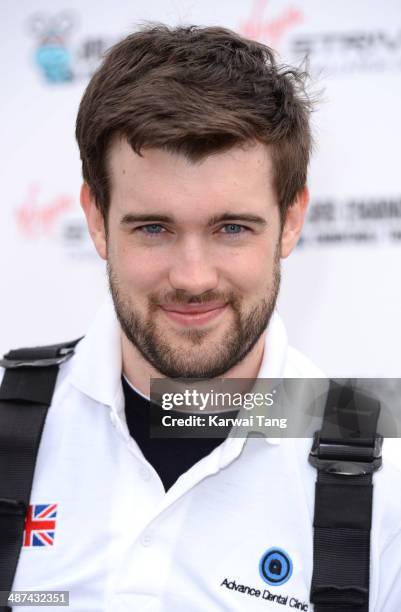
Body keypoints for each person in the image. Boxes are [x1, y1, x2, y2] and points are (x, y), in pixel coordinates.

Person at [1, 23, 401, 612]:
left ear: (291, 221)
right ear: (96, 218)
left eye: (231, 228)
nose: (193, 278)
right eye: (154, 228)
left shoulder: (386, 484)